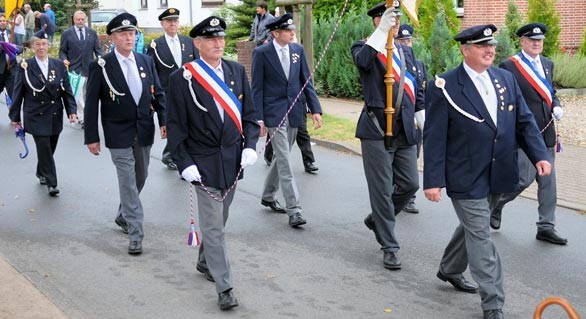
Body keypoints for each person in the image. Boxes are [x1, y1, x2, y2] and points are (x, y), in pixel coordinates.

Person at [423, 24, 552, 319]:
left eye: (491, 45)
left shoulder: (505, 78)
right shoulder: (445, 85)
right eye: (482, 46)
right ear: (465, 49)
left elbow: (524, 122)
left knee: (473, 226)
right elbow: (434, 137)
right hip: (465, 175)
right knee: (481, 235)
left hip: (499, 173)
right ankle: (493, 303)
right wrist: (433, 180)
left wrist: (539, 155)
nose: (490, 50)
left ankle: (449, 268)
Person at [167, 16, 259, 310]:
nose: (218, 43)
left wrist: (251, 146)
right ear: (198, 43)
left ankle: (205, 260)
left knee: (219, 220)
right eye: (211, 39)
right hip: (202, 162)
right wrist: (183, 163)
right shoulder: (182, 78)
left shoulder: (234, 70)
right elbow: (176, 126)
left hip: (232, 161)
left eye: (221, 38)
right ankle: (225, 287)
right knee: (215, 228)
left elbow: (249, 114)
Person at [84, 13, 166, 255]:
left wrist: (164, 119)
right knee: (128, 181)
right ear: (112, 37)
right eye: (123, 33)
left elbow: (157, 92)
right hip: (117, 131)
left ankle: (123, 214)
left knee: (141, 176)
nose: (129, 37)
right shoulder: (101, 65)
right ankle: (135, 232)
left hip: (143, 128)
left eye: (131, 33)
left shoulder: (145, 61)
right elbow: (91, 105)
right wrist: (91, 136)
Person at [350, 3, 425, 270]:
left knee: (409, 184)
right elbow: (362, 62)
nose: (394, 22)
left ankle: (377, 220)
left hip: (404, 129)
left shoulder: (404, 51)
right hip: (376, 128)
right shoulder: (363, 47)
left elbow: (415, 87)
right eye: (388, 18)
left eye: (396, 18)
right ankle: (389, 245)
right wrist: (382, 32)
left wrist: (421, 117)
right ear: (376, 22)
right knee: (382, 191)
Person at [490, 23, 567, 245]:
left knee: (548, 181)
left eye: (540, 40)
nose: (536, 43)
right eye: (532, 40)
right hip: (523, 135)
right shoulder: (510, 66)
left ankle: (546, 226)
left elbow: (550, 92)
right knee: (522, 179)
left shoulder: (547, 64)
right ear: (522, 41)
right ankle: (496, 205)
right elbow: (505, 99)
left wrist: (557, 104)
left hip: (546, 133)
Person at [252, 13, 322, 228]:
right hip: (273, 114)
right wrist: (259, 118)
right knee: (284, 158)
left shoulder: (297, 51)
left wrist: (315, 109)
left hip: (294, 112)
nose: (293, 33)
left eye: (293, 30)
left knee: (281, 157)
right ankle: (295, 210)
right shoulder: (262, 53)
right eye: (288, 30)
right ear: (275, 33)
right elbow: (257, 87)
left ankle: (267, 194)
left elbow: (305, 82)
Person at [9, 31, 77, 196]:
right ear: (32, 47)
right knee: (44, 146)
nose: (41, 47)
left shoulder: (58, 65)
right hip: (35, 114)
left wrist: (71, 110)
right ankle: (52, 183)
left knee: (50, 146)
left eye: (44, 44)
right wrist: (15, 117)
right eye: (38, 44)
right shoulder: (25, 66)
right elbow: (18, 92)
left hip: (54, 113)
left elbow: (66, 90)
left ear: (49, 46)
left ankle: (41, 171)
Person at [147, 7, 198, 171]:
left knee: (188, 123)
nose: (173, 24)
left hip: (187, 91)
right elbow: (150, 71)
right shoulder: (155, 46)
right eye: (169, 21)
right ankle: (171, 155)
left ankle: (173, 153)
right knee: (174, 124)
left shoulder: (188, 42)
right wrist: (153, 95)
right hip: (166, 92)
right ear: (162, 24)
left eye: (175, 21)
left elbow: (196, 66)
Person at [394, 23, 427, 214]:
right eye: (402, 40)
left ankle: (409, 198)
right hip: (397, 119)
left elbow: (422, 90)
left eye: (408, 40)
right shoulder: (393, 61)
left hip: (414, 120)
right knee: (397, 161)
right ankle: (396, 192)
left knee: (412, 159)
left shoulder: (418, 63)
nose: (406, 43)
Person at [59, 10, 103, 126]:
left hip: (89, 68)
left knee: (87, 94)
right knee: (77, 95)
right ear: (74, 20)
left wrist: (101, 59)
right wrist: (64, 59)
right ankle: (84, 117)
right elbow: (62, 51)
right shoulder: (67, 33)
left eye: (82, 19)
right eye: (78, 19)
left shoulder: (91, 33)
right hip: (74, 69)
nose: (80, 21)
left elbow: (98, 50)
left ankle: (84, 115)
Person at [263, 98, 319, 173]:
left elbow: (309, 89)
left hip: (298, 105)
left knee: (302, 133)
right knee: (276, 132)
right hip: (281, 104)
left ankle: (308, 162)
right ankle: (268, 156)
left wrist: (314, 109)